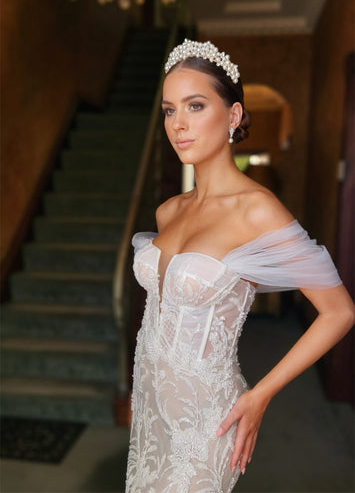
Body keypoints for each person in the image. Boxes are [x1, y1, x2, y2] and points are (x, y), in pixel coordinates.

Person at [125, 39, 355, 493]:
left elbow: (340, 311)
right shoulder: (168, 212)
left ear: (232, 116)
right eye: (170, 110)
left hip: (209, 419)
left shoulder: (257, 211)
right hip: (151, 408)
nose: (179, 124)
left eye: (195, 105)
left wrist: (261, 395)